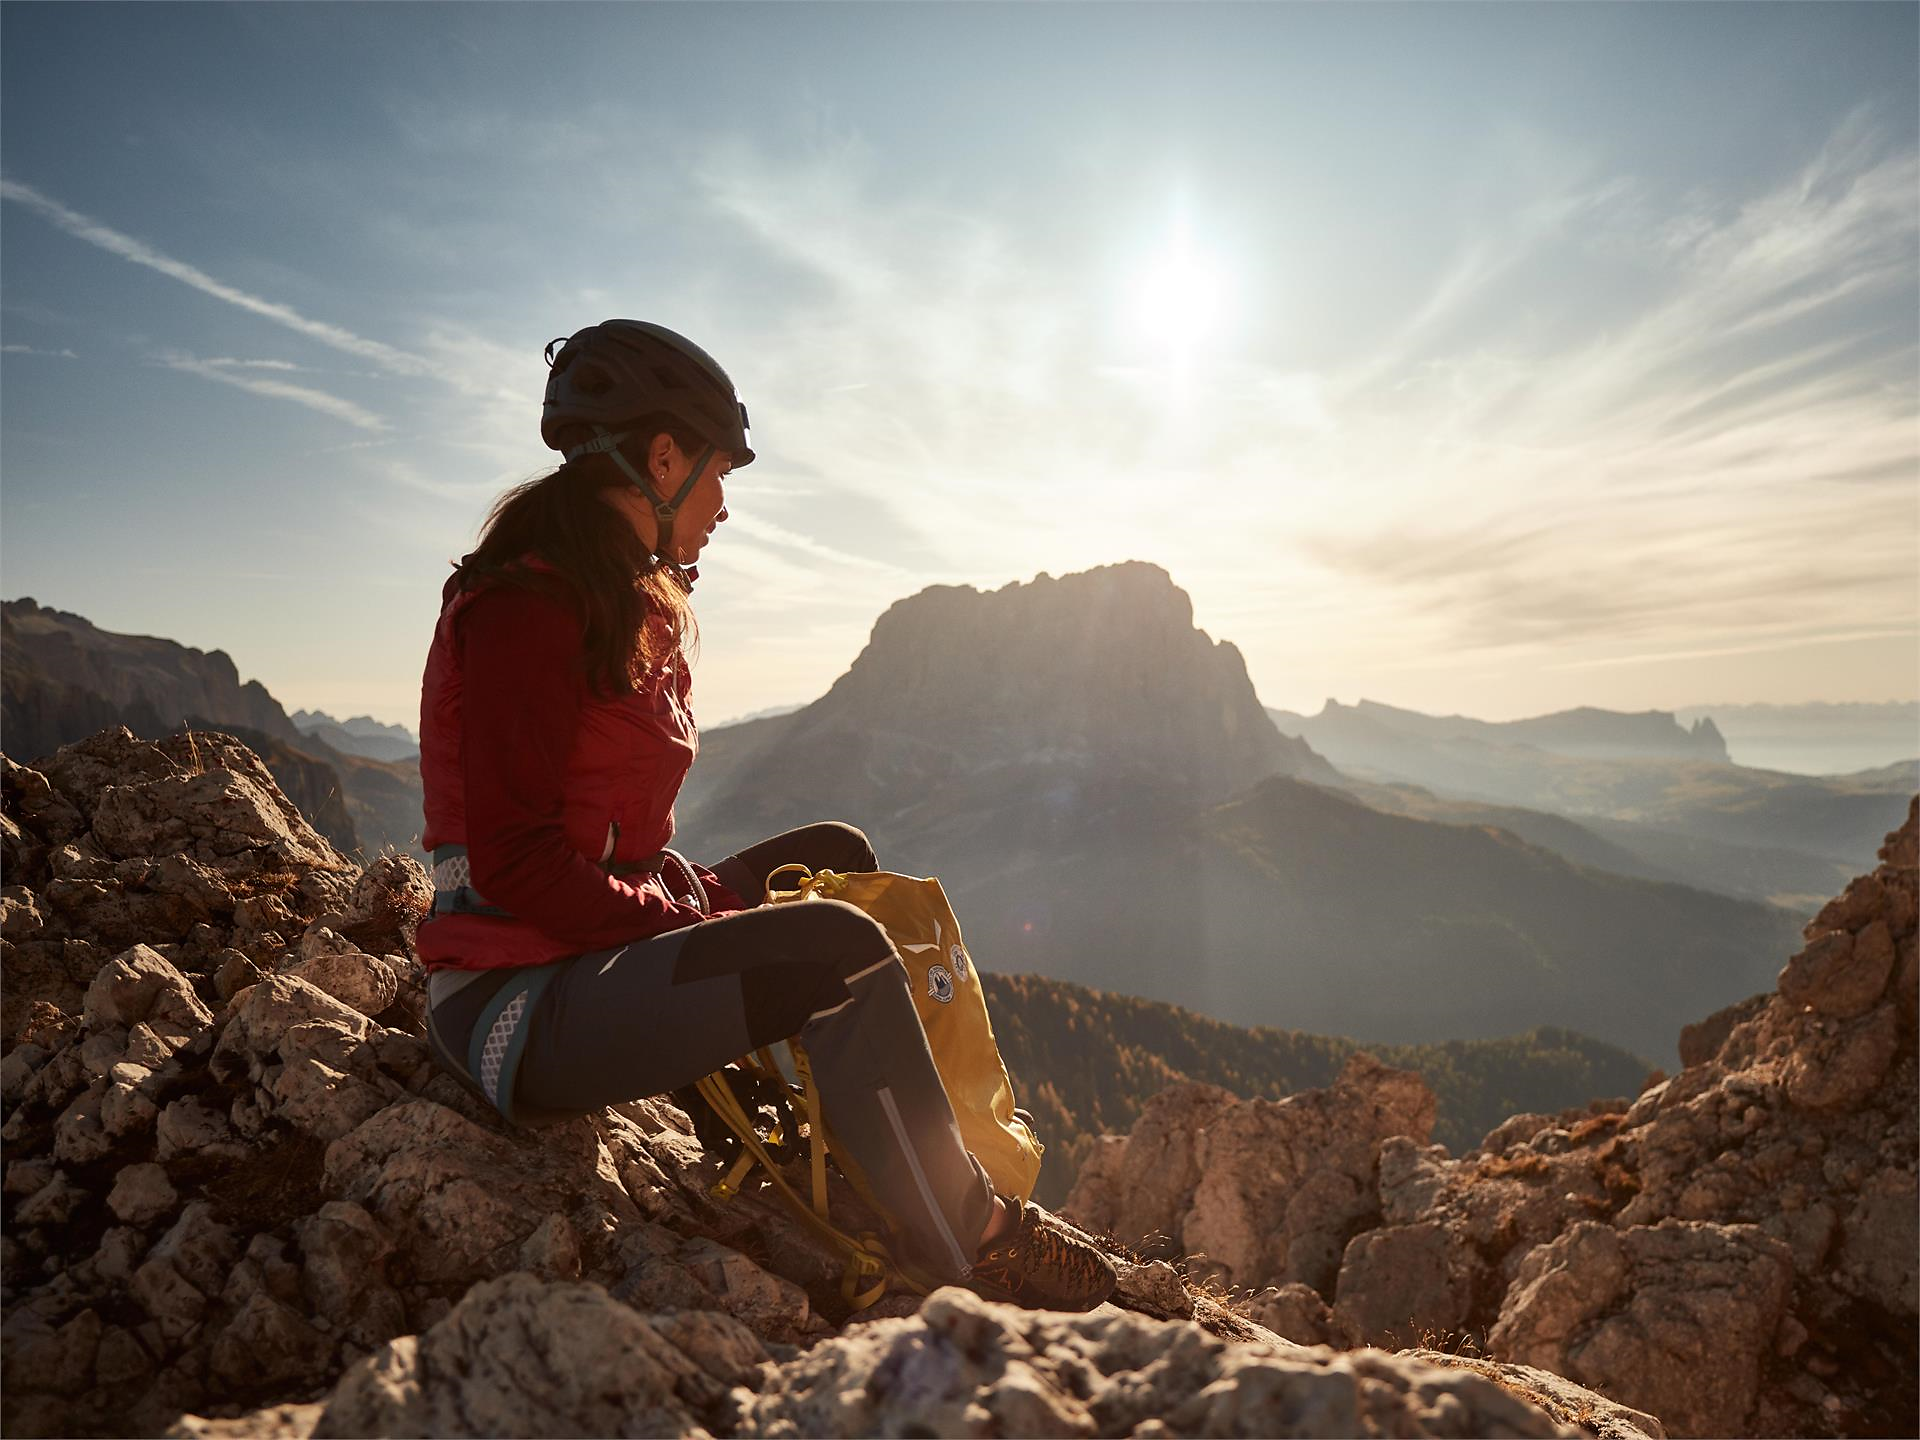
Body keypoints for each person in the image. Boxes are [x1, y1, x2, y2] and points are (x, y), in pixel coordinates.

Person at [416, 319, 1115, 1312]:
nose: (723, 505)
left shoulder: (605, 594)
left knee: (838, 855)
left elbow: (605, 840)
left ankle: (854, 1140)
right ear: (660, 458)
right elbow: (522, 866)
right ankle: (974, 1239)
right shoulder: (526, 611)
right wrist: (691, 922)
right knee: (833, 951)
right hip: (514, 1006)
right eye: (716, 474)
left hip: (573, 954)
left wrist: (691, 897)